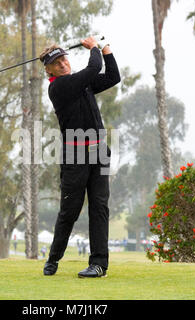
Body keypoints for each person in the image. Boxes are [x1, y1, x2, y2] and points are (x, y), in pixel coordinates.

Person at [40, 36, 120, 278]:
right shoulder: (59, 87)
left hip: (99, 152)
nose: (63, 63)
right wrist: (93, 47)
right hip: (75, 156)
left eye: (64, 58)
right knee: (70, 211)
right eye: (57, 62)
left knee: (99, 208)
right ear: (49, 70)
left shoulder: (81, 83)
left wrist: (106, 49)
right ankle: (53, 258)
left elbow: (112, 76)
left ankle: (98, 264)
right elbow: (94, 67)